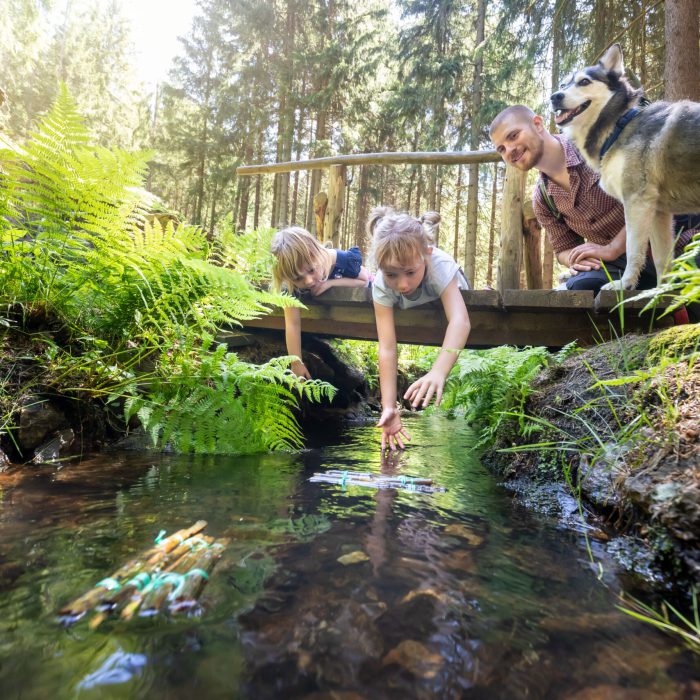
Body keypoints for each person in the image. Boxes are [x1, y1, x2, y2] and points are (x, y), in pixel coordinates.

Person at [489, 105, 698, 292]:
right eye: (501, 149)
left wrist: (612, 248)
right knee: (580, 288)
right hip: (622, 267)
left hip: (679, 241)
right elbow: (563, 248)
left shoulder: (599, 146)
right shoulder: (543, 199)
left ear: (537, 124)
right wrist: (577, 258)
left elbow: (646, 197)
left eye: (513, 136)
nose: (509, 150)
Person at [369, 207, 471, 451]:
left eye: (410, 273)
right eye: (392, 274)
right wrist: (388, 407)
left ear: (426, 254)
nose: (402, 284)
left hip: (454, 293)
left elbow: (460, 320)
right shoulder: (382, 284)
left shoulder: (439, 264)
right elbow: (387, 346)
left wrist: (438, 372)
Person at [271, 226, 372, 379]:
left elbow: (364, 280)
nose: (309, 281)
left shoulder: (339, 259)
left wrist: (329, 284)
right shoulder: (290, 286)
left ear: (317, 253)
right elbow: (292, 323)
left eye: (311, 270)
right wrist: (296, 363)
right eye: (298, 278)